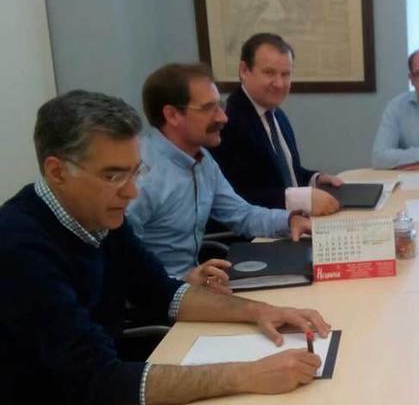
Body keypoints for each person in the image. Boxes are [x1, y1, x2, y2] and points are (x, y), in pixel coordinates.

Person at [0, 90, 331, 404]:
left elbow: (163, 292)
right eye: (113, 176)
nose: (131, 193)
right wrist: (247, 375)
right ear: (57, 172)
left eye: (135, 173)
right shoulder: (19, 248)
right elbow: (99, 380)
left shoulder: (98, 214)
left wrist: (260, 311)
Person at [127, 63, 312, 291]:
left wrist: (290, 220)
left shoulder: (202, 159)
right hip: (158, 301)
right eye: (208, 108)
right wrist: (181, 283)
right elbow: (118, 264)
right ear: (172, 115)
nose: (223, 117)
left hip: (194, 288)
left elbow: (241, 214)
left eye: (220, 106)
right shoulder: (140, 174)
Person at [212, 33, 342, 216]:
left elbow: (283, 175)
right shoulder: (228, 121)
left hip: (292, 224)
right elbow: (236, 196)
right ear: (243, 70)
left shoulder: (277, 115)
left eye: (285, 74)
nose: (279, 83)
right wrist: (304, 198)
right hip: (258, 236)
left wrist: (315, 179)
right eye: (269, 73)